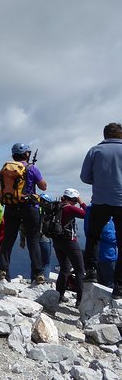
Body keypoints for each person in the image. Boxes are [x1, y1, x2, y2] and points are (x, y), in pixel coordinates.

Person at [80, 122, 122, 299]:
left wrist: (99, 182)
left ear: (105, 135)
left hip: (99, 201)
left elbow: (84, 177)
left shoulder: (94, 151)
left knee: (93, 236)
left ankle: (90, 271)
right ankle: (119, 286)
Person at [0, 143, 48, 283]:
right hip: (29, 207)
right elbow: (43, 187)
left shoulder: (6, 169)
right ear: (27, 154)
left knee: (8, 239)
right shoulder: (32, 168)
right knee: (33, 240)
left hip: (11, 206)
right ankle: (38, 273)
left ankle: (2, 269)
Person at [52, 188, 87, 306]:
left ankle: (59, 295)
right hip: (69, 241)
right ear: (72, 198)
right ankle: (80, 301)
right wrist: (81, 202)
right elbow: (87, 214)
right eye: (75, 200)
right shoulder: (70, 208)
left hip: (57, 241)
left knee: (64, 268)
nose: (76, 202)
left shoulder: (57, 206)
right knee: (80, 270)